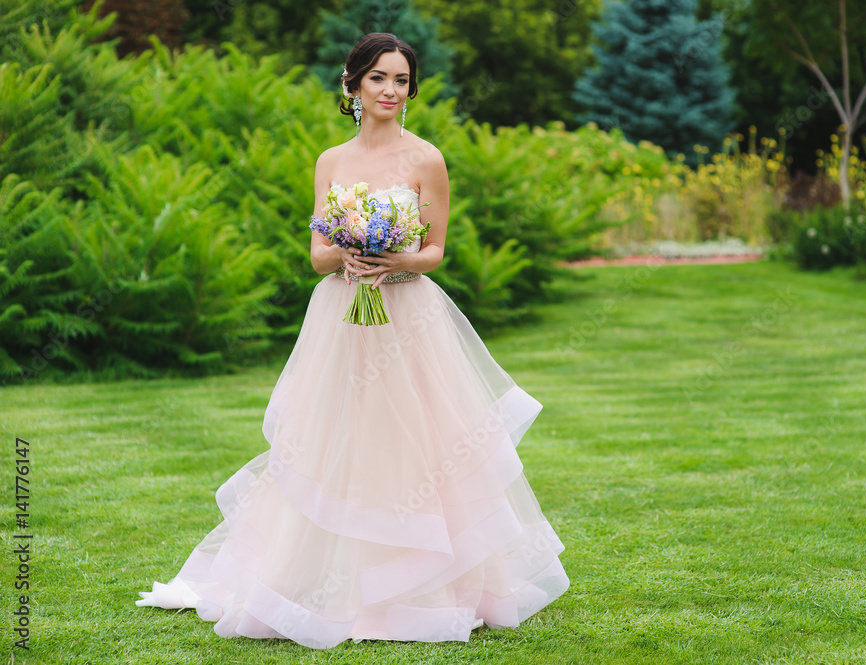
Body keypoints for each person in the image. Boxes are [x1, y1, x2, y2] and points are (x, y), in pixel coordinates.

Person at [135, 32, 570, 649]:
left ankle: (429, 587)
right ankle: (324, 581)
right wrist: (348, 250)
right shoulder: (331, 162)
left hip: (409, 319)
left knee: (416, 443)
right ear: (353, 85)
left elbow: (436, 252)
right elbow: (315, 254)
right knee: (336, 441)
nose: (391, 91)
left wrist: (394, 257)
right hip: (341, 317)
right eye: (378, 79)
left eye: (401, 80)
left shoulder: (427, 159)